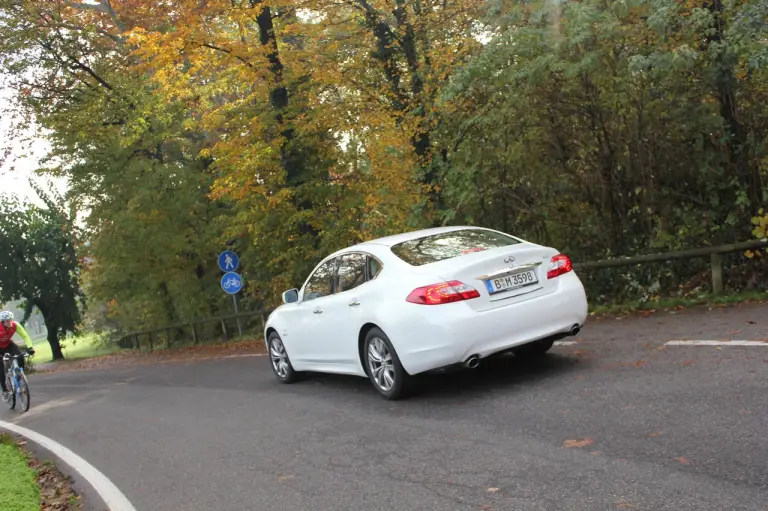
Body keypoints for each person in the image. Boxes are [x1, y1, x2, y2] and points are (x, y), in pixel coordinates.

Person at [0, 311, 35, 399]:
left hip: (8, 345)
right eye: (7, 321)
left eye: (11, 320)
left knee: (20, 356)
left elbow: (25, 336)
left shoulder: (15, 325)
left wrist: (30, 347)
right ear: (2, 322)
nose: (10, 322)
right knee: (1, 369)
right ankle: (5, 391)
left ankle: (20, 376)